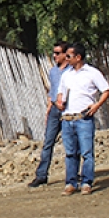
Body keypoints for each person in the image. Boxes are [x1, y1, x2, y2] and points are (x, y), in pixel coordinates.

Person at [55, 43, 109, 195]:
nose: (66, 59)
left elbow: (106, 90)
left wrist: (97, 105)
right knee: (70, 153)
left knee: (87, 152)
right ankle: (71, 183)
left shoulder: (92, 73)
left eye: (69, 56)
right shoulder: (66, 74)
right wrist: (59, 101)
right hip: (67, 118)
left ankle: (86, 182)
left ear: (78, 57)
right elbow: (60, 92)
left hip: (83, 117)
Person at [29, 41, 70, 187]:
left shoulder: (72, 71)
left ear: (66, 54)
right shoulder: (53, 71)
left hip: (68, 110)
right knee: (48, 143)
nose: (54, 56)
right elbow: (51, 90)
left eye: (58, 53)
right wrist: (48, 108)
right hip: (54, 110)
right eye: (54, 53)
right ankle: (41, 175)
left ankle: (72, 174)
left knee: (70, 144)